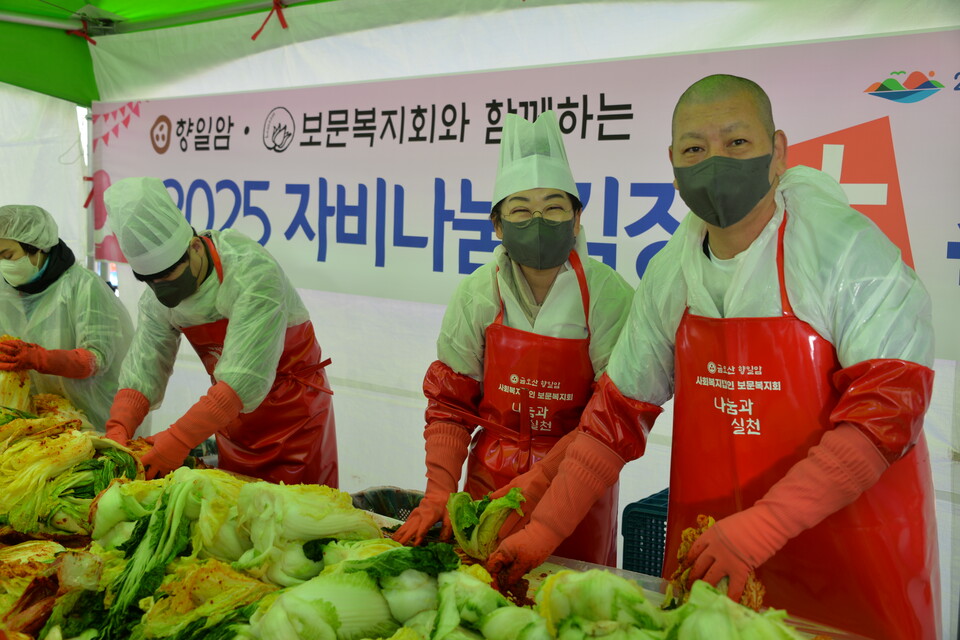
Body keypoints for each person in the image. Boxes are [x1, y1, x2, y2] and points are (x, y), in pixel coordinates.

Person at [487, 75, 940, 640]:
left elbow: (885, 415)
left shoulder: (847, 251)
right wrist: (542, 530)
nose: (714, 161)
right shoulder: (672, 270)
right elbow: (614, 420)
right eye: (695, 149)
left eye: (736, 143)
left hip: (851, 556)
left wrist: (761, 528)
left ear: (778, 151)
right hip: (712, 555)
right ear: (672, 162)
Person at [393, 111, 634, 567]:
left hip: (576, 484)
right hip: (489, 483)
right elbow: (450, 402)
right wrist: (440, 491)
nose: (538, 220)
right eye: (521, 210)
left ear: (577, 218)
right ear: (498, 225)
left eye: (554, 207)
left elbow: (612, 417)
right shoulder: (477, 292)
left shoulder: (608, 295)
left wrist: (544, 480)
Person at [101, 176, 338, 486]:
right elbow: (145, 366)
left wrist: (178, 438)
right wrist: (120, 427)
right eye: (152, 280)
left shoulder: (251, 272)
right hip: (229, 418)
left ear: (195, 246)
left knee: (297, 514)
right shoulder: (157, 295)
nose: (164, 287)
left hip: (293, 419)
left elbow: (243, 380)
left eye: (171, 273)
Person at [0, 205, 133, 426]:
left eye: (8, 255)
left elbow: (96, 359)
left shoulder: (83, 287)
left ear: (37, 247)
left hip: (90, 418)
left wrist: (39, 358)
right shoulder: (6, 291)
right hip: (32, 419)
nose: (3, 265)